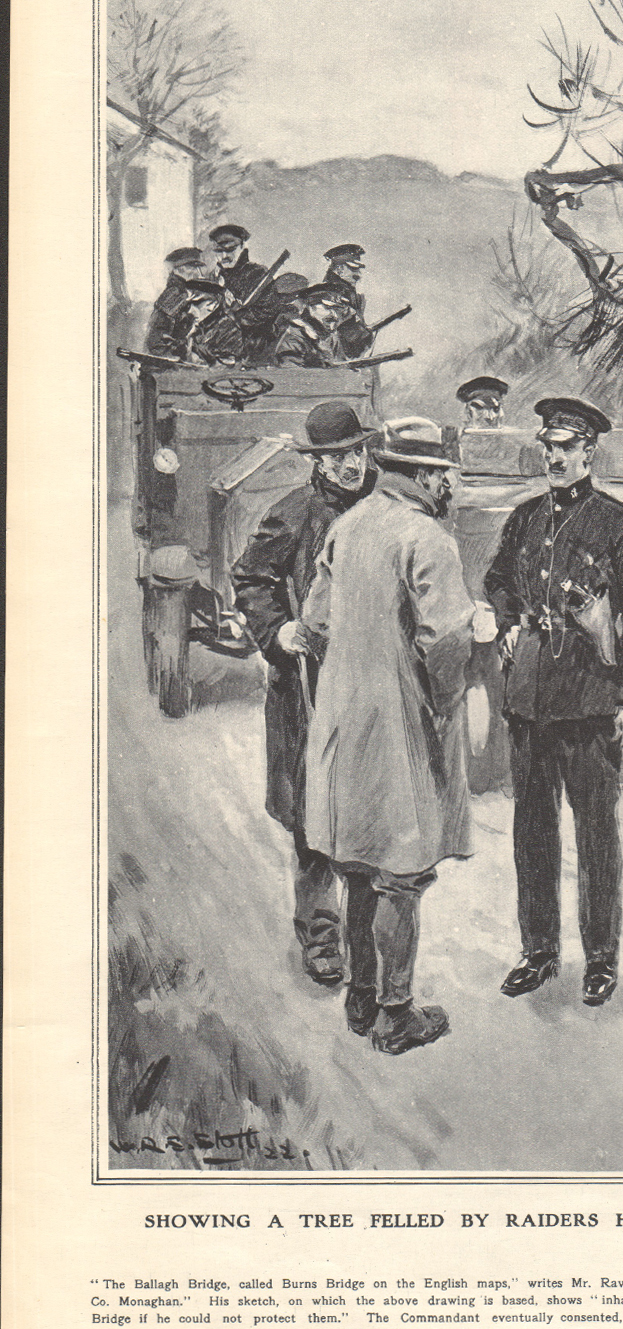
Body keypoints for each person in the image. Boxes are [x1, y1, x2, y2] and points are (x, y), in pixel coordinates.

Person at [296, 416, 474, 1054]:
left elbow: (312, 624)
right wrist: (443, 704)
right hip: (401, 723)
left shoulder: (345, 527)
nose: (447, 485)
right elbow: (448, 640)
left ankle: (361, 995)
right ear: (422, 475)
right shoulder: (427, 537)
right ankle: (396, 1015)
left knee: (359, 864)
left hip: (344, 725)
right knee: (401, 871)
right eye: (442, 474)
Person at [482, 397, 623, 1007]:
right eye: (549, 446)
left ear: (590, 452)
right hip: (531, 696)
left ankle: (601, 958)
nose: (555, 456)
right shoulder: (527, 518)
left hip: (589, 699)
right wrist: (509, 620)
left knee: (595, 834)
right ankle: (538, 950)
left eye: (567, 446)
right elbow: (498, 579)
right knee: (532, 829)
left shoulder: (618, 524)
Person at [230, 402, 376, 986]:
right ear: (318, 462)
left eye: (357, 454)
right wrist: (276, 629)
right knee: (313, 827)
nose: (350, 466)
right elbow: (250, 578)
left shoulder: (385, 510)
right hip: (306, 693)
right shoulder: (292, 514)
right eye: (337, 458)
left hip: (371, 693)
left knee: (369, 818)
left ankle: (367, 943)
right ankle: (322, 938)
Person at [143, 247, 224, 360]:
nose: (196, 272)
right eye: (191, 267)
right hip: (165, 362)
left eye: (196, 267)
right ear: (179, 269)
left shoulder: (184, 292)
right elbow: (156, 340)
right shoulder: (175, 294)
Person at [205, 222, 272, 302]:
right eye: (219, 251)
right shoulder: (213, 277)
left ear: (243, 246)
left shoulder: (258, 273)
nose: (224, 256)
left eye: (230, 249)